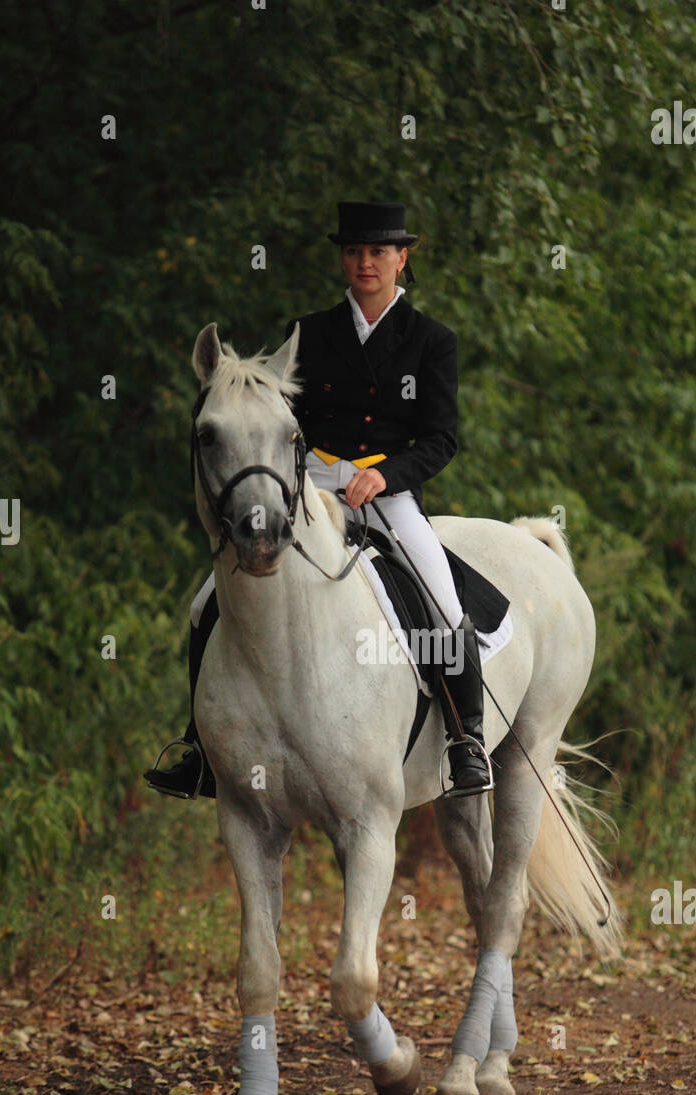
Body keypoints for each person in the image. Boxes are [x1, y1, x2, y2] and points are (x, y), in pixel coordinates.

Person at [145, 201, 491, 800]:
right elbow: (279, 420)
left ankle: (467, 742)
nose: (365, 263)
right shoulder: (310, 332)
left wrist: (385, 475)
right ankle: (198, 747)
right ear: (343, 259)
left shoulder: (433, 341)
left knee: (443, 603)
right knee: (205, 606)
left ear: (401, 259)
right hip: (308, 487)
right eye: (354, 252)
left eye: (378, 252)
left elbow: (441, 440)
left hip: (388, 492)